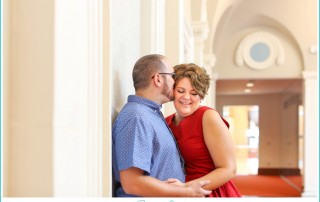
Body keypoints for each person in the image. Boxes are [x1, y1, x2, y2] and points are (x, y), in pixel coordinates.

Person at [112, 54, 212, 197]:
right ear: (158, 79)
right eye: (172, 75)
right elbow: (132, 183)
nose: (175, 80)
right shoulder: (136, 117)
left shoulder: (151, 114)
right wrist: (186, 192)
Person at [165, 63, 242, 197]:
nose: (186, 97)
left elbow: (229, 169)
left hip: (210, 191)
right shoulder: (166, 122)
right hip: (180, 192)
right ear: (172, 91)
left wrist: (185, 187)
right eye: (181, 91)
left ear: (201, 96)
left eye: (194, 93)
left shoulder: (208, 117)